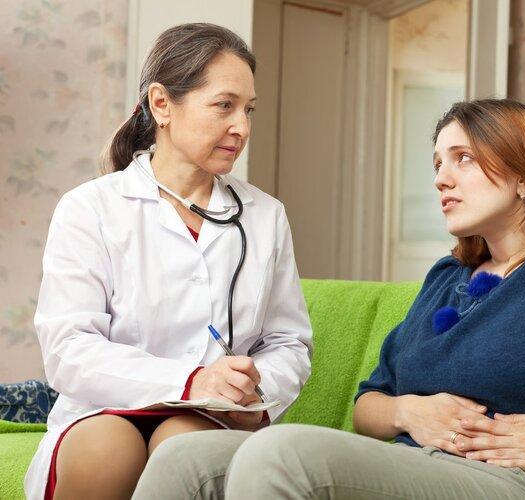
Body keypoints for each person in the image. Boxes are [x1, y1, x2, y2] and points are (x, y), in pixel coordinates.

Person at [132, 99, 525, 500]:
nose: (440, 178)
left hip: (523, 482)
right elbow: (369, 404)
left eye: (463, 159)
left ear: (523, 172)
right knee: (184, 460)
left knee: (283, 453)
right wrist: (410, 413)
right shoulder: (447, 278)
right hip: (420, 464)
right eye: (437, 162)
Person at [24, 23, 312, 500]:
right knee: (107, 449)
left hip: (211, 415)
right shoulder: (90, 208)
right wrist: (190, 380)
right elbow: (68, 347)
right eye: (224, 105)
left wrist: (255, 393)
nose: (242, 128)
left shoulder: (265, 216)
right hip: (102, 409)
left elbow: (289, 342)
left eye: (248, 109)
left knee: (186, 445)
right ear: (161, 104)